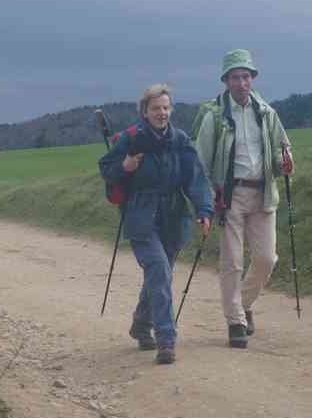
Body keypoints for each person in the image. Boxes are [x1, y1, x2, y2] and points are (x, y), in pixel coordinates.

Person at [99, 84, 213, 365]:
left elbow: (194, 178)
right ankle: (166, 340)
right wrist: (124, 167)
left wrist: (204, 209)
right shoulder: (129, 139)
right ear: (145, 112)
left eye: (165, 107)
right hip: (141, 216)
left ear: (171, 109)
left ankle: (140, 324)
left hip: (174, 217)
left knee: (158, 276)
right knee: (160, 270)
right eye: (155, 108)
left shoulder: (180, 139)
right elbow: (106, 169)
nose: (161, 113)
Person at [193, 49, 294, 349]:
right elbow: (200, 160)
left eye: (246, 76)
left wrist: (285, 162)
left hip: (263, 193)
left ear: (253, 79)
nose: (241, 82)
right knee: (232, 262)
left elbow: (280, 150)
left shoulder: (267, 113)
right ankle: (235, 321)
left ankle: (244, 303)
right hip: (229, 196)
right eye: (235, 77)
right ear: (226, 81)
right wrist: (206, 197)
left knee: (266, 259)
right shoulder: (213, 115)